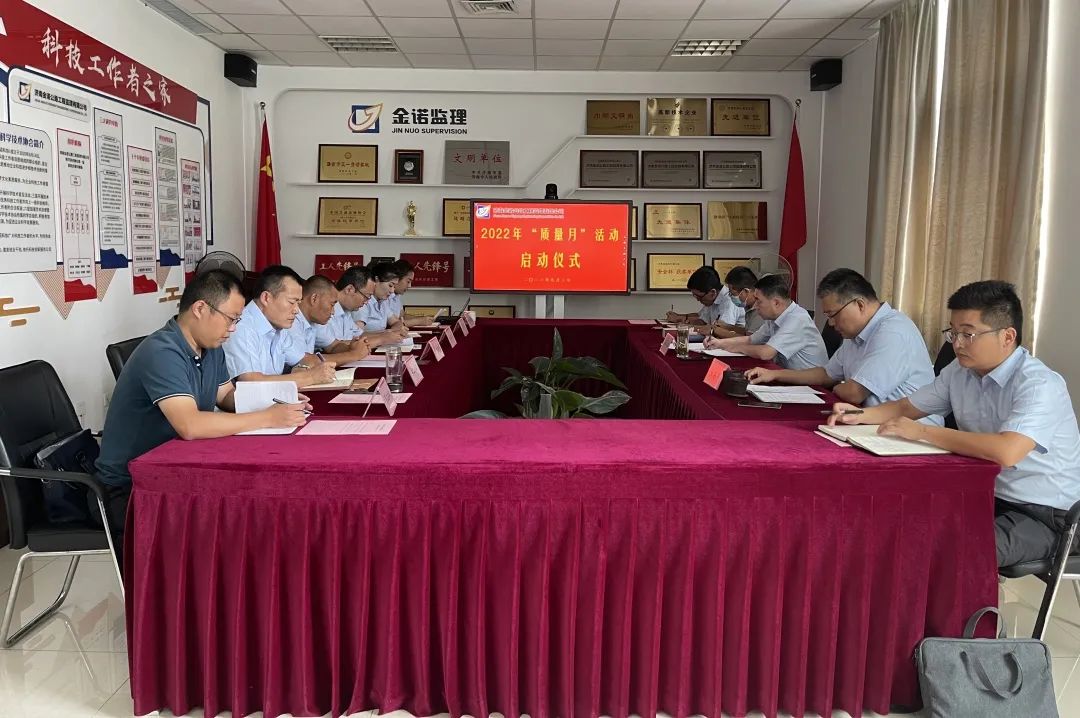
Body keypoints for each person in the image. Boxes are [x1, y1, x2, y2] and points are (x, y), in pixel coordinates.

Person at [828, 280, 1080, 568]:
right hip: (984, 493)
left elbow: (1007, 451)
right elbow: (907, 407)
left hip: (1047, 515)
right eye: (953, 332)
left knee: (952, 551)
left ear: (1007, 336)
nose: (957, 344)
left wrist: (924, 432)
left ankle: (967, 599)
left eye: (968, 334)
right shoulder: (960, 372)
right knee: (896, 521)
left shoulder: (1038, 384)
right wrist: (859, 416)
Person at [94, 270, 310, 567]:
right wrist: (267, 418)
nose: (233, 329)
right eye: (231, 318)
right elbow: (191, 425)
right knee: (232, 521)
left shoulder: (210, 348)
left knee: (249, 511)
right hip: (131, 487)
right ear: (200, 308)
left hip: (178, 468)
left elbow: (226, 396)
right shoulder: (163, 351)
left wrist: (276, 400)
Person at [746, 268, 938, 416]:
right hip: (868, 422)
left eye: (833, 314)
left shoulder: (893, 331)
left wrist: (836, 386)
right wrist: (774, 375)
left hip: (909, 435)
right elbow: (826, 374)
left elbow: (854, 392)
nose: (831, 323)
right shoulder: (856, 333)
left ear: (859, 304)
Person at [222, 265, 337, 388]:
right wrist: (310, 377)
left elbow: (302, 360)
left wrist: (304, 369)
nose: (296, 310)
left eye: (298, 303)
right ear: (266, 298)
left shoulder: (278, 326)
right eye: (292, 302)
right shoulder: (241, 327)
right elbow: (251, 382)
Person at [705, 273, 827, 370]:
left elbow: (766, 353)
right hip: (788, 376)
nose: (756, 306)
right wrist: (719, 343)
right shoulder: (774, 318)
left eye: (759, 301)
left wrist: (734, 348)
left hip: (811, 386)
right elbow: (750, 340)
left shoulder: (797, 319)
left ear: (776, 303)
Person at [288, 274, 371, 364]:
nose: (333, 312)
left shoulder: (313, 320)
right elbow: (305, 361)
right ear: (314, 299)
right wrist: (354, 355)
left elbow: (332, 346)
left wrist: (352, 347)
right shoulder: (291, 322)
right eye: (332, 304)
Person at [698, 265, 764, 339]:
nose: (731, 297)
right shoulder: (749, 307)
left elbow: (749, 340)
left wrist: (714, 331)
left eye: (733, 294)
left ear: (746, 291)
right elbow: (746, 332)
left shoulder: (760, 309)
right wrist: (726, 326)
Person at [666, 266, 737, 326]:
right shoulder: (712, 300)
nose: (697, 300)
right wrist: (679, 317)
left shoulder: (729, 301)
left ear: (713, 292)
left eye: (699, 297)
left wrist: (682, 321)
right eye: (694, 295)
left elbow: (721, 330)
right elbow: (702, 320)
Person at [387, 259, 437, 328]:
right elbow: (392, 324)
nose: (409, 286)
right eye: (408, 281)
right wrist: (419, 321)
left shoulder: (397, 295)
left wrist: (424, 319)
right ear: (396, 278)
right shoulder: (384, 297)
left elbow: (402, 316)